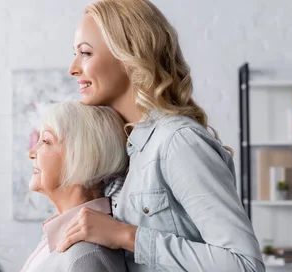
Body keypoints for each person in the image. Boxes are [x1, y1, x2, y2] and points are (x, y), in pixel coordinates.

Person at [55, 0, 266, 271]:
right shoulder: (129, 151)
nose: (73, 68)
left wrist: (124, 235)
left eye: (85, 53)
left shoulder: (177, 142)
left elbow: (245, 265)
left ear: (129, 54)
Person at [20, 101, 129, 272]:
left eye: (46, 141)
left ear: (82, 158)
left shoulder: (86, 255)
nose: (31, 153)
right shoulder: (66, 237)